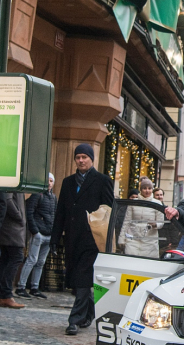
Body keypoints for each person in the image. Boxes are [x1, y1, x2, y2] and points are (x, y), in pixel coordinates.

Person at [51, 144, 115, 335]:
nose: (81, 160)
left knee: (82, 278)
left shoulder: (102, 180)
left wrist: (106, 237)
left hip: (92, 238)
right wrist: (55, 238)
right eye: (78, 157)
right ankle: (89, 314)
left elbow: (109, 210)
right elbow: (61, 211)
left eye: (84, 157)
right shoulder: (68, 182)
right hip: (72, 238)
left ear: (91, 159)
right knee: (80, 279)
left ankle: (75, 319)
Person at [16, 173, 57, 299]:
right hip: (39, 233)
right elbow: (29, 212)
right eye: (47, 180)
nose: (49, 183)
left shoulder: (53, 198)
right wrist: (35, 231)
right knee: (32, 260)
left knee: (40, 262)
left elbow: (54, 214)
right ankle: (21, 287)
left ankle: (35, 287)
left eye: (51, 181)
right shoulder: (37, 195)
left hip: (48, 234)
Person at [0, 192, 27, 309]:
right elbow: (7, 200)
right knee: (16, 258)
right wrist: (19, 216)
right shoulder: (12, 179)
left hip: (10, 228)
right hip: (12, 228)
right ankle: (6, 295)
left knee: (5, 259)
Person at [118, 178, 163, 258]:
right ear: (141, 189)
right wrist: (121, 239)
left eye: (149, 188)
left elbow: (161, 222)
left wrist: (155, 224)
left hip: (149, 242)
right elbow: (126, 221)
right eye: (144, 188)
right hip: (133, 241)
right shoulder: (133, 202)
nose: (147, 190)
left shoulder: (157, 203)